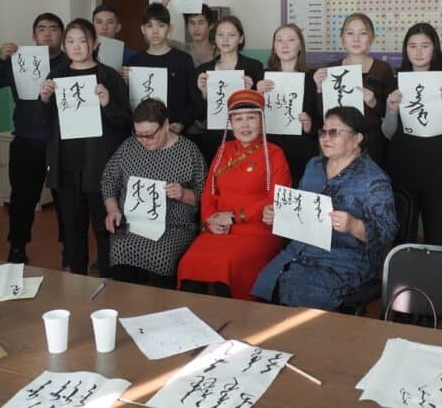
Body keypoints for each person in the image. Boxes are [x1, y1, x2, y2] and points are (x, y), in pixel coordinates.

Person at [252, 106, 397, 310]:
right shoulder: (314, 165)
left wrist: (354, 225)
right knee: (266, 281)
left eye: (334, 132)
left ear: (357, 138)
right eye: (323, 132)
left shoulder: (373, 180)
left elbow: (388, 232)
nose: (326, 138)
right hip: (302, 249)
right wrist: (280, 215)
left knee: (302, 294)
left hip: (345, 259)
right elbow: (300, 209)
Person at [178, 90, 292, 300]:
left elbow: (276, 199)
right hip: (219, 228)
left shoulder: (274, 153)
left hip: (257, 229)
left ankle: (235, 317)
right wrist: (210, 221)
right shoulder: (224, 149)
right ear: (230, 123)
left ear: (261, 120)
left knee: (227, 264)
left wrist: (233, 217)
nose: (245, 125)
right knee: (190, 261)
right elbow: (209, 192)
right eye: (238, 119)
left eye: (251, 117)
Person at [40, 18, 131, 277]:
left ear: (94, 43)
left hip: (100, 164)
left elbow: (125, 121)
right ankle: (77, 279)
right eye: (70, 41)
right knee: (72, 227)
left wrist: (108, 103)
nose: (76, 46)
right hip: (67, 165)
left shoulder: (109, 76)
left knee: (105, 227)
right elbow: (43, 122)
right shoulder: (57, 75)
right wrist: (44, 98)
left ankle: (109, 278)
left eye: (82, 40)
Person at [0, 12, 69, 264]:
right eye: (42, 29)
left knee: (66, 200)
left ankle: (70, 249)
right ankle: (17, 247)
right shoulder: (19, 60)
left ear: (61, 35)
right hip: (26, 139)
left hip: (61, 143)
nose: (47, 34)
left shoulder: (71, 62)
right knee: (22, 198)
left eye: (54, 29)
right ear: (33, 35)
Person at [101, 99, 207, 288]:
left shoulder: (188, 152)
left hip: (173, 226)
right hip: (132, 222)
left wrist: (183, 194)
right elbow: (109, 179)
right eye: (139, 134)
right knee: (120, 250)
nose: (143, 140)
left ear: (165, 125)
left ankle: (161, 303)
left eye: (149, 135)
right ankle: (126, 302)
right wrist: (112, 209)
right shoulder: (129, 147)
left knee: (162, 257)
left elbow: (205, 193)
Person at [383, 23, 442, 245]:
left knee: (440, 238)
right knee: (403, 239)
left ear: (434, 49)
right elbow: (388, 133)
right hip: (403, 170)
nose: (418, 52)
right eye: (413, 46)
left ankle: (437, 270)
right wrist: (392, 111)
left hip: (440, 172)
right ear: (406, 50)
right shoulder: (394, 84)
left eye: (425, 46)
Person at [313, 13, 395, 166]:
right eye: (350, 33)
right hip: (338, 140)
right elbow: (322, 113)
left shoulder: (383, 69)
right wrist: (319, 88)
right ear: (343, 38)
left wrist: (373, 103)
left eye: (363, 33)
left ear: (371, 38)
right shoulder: (331, 69)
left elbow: (391, 113)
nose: (356, 39)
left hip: (371, 141)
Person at [192, 15, 264, 163]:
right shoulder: (204, 70)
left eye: (231, 35)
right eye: (220, 35)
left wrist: (249, 93)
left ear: (240, 39)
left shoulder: (254, 67)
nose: (225, 40)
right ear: (215, 38)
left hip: (245, 135)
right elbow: (198, 115)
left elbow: (261, 110)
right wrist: (204, 93)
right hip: (213, 137)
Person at [256, 23, 319, 186]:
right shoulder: (262, 76)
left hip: (301, 149)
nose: (285, 45)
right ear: (274, 47)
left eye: (291, 40)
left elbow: (322, 118)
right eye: (279, 40)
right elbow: (250, 116)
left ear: (300, 46)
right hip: (269, 147)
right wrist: (257, 95)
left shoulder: (312, 78)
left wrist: (309, 125)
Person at [121, 4, 196, 134]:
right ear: (143, 29)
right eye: (149, 26)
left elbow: (193, 99)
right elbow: (126, 104)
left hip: (176, 132)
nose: (155, 31)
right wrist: (124, 83)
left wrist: (182, 123)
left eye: (161, 25)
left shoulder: (183, 60)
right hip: (145, 135)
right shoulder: (134, 63)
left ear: (169, 28)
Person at [161, 0, 216, 68]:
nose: (196, 28)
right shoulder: (180, 49)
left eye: (201, 23)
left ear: (211, 26)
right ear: (187, 26)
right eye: (192, 23)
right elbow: (152, 38)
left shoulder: (220, 52)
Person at [92, 4, 139, 72]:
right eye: (99, 22)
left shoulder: (132, 56)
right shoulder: (83, 53)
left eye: (110, 22)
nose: (104, 27)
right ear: (92, 26)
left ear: (118, 27)